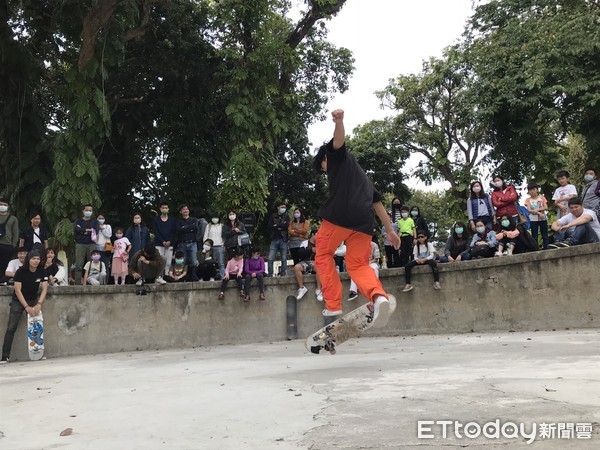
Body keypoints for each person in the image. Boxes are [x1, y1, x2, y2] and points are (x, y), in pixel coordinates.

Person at [313, 109, 400, 325]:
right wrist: (390, 231)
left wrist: (340, 121)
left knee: (323, 255)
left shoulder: (336, 158)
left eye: (322, 166)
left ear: (325, 159)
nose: (324, 170)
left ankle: (333, 306)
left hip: (339, 217)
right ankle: (379, 297)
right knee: (359, 265)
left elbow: (338, 141)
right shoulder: (363, 177)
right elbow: (378, 204)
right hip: (363, 224)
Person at [1, 250, 48, 364]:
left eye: (38, 259)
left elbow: (45, 288)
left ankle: (38, 353)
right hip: (19, 301)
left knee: (36, 327)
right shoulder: (20, 271)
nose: (36, 261)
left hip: (33, 300)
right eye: (33, 259)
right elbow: (17, 290)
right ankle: (5, 356)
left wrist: (39, 304)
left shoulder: (42, 271)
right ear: (28, 260)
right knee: (11, 327)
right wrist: (26, 306)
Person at [348, 236, 381, 301]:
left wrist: (369, 263)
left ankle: (376, 288)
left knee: (374, 268)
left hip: (371, 262)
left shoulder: (374, 245)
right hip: (361, 264)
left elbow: (376, 258)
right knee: (354, 271)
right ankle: (353, 291)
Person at [73, 204, 99, 285]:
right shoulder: (78, 221)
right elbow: (76, 229)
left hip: (92, 244)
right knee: (79, 265)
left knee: (92, 265)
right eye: (87, 210)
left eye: (90, 210)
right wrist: (88, 230)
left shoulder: (95, 222)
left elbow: (96, 231)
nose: (88, 212)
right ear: (83, 211)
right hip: (80, 244)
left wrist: (82, 231)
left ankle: (90, 282)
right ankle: (77, 284)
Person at [293, 230, 322, 300]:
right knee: (297, 267)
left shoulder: (321, 243)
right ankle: (302, 288)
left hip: (315, 262)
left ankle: (319, 289)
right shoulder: (305, 243)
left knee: (319, 268)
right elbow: (300, 254)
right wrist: (310, 250)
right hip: (305, 262)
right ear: (313, 235)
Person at [176, 205, 199, 281]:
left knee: (193, 261)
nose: (185, 210)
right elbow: (179, 230)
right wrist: (189, 227)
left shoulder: (194, 219)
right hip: (182, 243)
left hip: (192, 243)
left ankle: (194, 277)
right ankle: (183, 277)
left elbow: (195, 228)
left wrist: (184, 227)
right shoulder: (178, 221)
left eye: (186, 209)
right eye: (183, 209)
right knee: (183, 261)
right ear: (180, 212)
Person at [153, 202, 177, 276]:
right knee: (159, 261)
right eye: (163, 208)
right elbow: (156, 232)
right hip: (159, 244)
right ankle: (159, 277)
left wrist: (169, 241)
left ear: (168, 209)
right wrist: (162, 241)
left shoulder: (172, 220)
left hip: (170, 244)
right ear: (160, 209)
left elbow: (174, 232)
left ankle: (167, 276)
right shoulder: (156, 219)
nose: (164, 209)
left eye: (166, 208)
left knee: (168, 262)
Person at [267, 201, 290, 276]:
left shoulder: (286, 216)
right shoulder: (272, 216)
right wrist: (280, 226)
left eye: (284, 207)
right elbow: (270, 226)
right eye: (281, 207)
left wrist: (276, 225)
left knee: (283, 258)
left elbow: (286, 225)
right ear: (278, 207)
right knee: (270, 258)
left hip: (283, 239)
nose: (283, 209)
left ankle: (283, 274)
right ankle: (270, 275)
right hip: (274, 239)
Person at [524, 182, 549, 249]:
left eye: (533, 189)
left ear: (537, 190)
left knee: (545, 235)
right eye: (530, 190)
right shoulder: (528, 200)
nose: (532, 191)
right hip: (533, 219)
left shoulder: (542, 198)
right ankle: (535, 248)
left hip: (543, 218)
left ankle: (546, 247)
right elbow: (529, 210)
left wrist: (537, 210)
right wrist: (538, 213)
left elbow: (546, 207)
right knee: (534, 235)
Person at [0, 197, 19, 278]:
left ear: (8, 206)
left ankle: (3, 279)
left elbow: (15, 232)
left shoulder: (13, 218)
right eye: (1, 204)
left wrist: (13, 245)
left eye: (5, 205)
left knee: (5, 263)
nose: (2, 206)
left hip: (7, 245)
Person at [203, 213, 225, 278]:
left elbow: (224, 237)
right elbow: (205, 236)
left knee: (221, 263)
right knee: (209, 263)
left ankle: (222, 277)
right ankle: (211, 277)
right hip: (209, 247)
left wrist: (223, 244)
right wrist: (205, 246)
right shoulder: (208, 226)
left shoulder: (222, 226)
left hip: (219, 246)